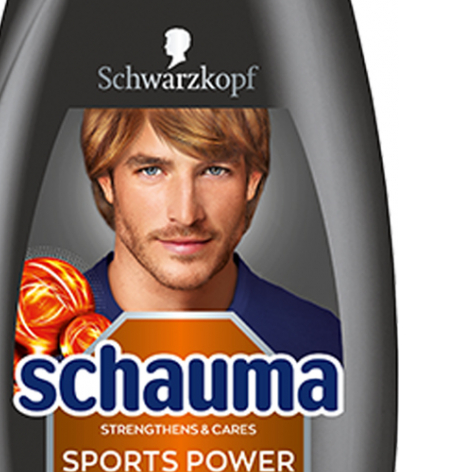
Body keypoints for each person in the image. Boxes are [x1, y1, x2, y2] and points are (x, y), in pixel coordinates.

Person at [80, 106, 341, 359]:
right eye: (152, 170)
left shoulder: (323, 346)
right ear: (107, 183)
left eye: (214, 171)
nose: (186, 215)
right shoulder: (53, 341)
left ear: (252, 182)